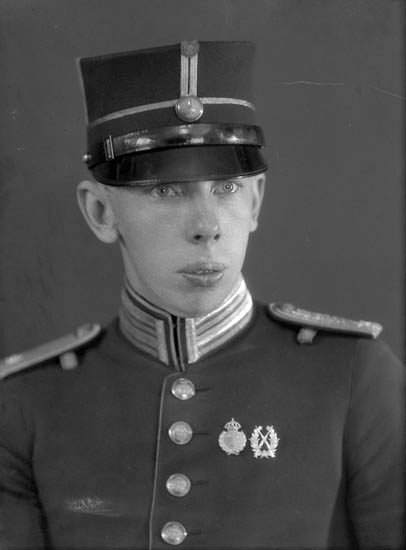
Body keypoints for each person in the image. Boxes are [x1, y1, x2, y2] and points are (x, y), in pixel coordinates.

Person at [0, 40, 403, 550]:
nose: (208, 226)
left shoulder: (355, 377)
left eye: (227, 187)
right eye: (165, 190)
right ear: (101, 212)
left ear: (255, 201)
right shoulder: (25, 404)